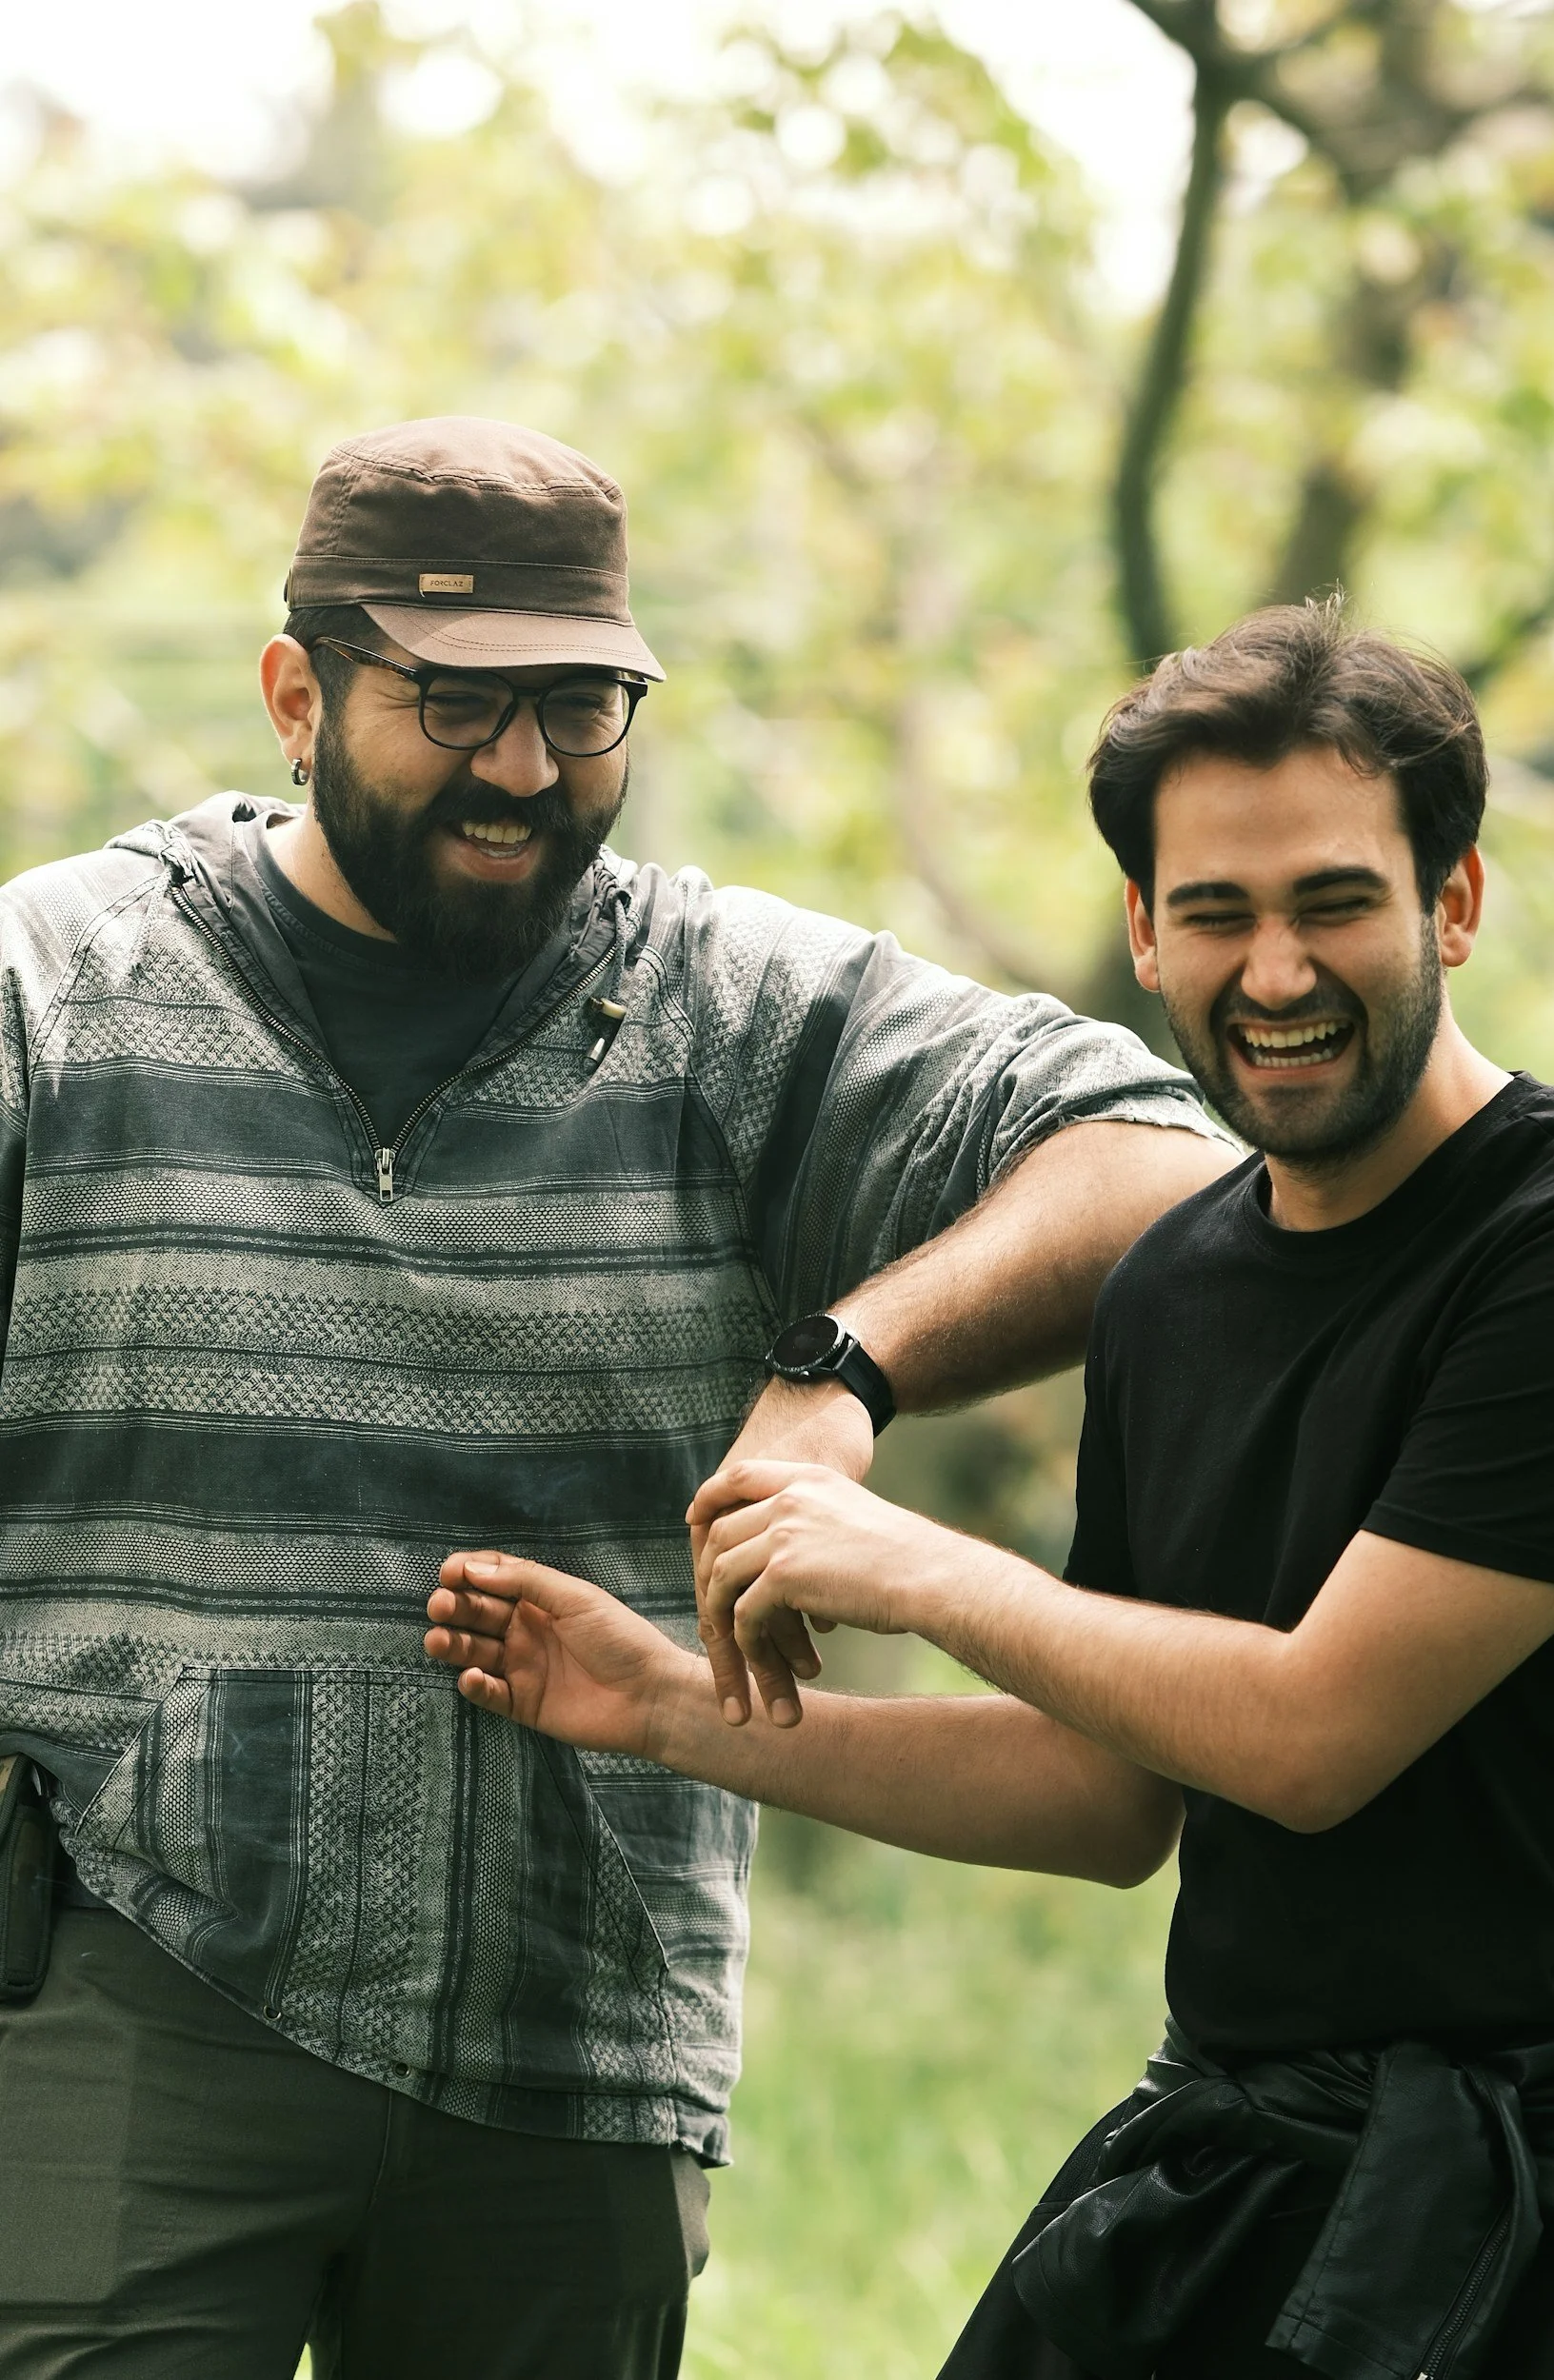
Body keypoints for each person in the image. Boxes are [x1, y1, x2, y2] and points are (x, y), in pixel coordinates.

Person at [0, 413, 1227, 2380]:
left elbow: (1160, 1161)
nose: (521, 769)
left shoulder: (730, 1004)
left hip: (568, 2016)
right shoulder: (59, 984)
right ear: (293, 692)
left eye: (579, 708)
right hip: (121, 1988)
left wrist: (842, 1369)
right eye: (458, 704)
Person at [426, 600, 1554, 2380]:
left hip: (1528, 2214)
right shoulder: (1176, 1283)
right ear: (1141, 932)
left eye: (1331, 904)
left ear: (1452, 901)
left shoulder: (1553, 1253)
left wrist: (911, 1566)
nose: (1272, 973)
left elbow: (1307, 1735)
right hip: (1243, 2177)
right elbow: (1112, 1795)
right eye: (1215, 914)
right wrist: (662, 1708)